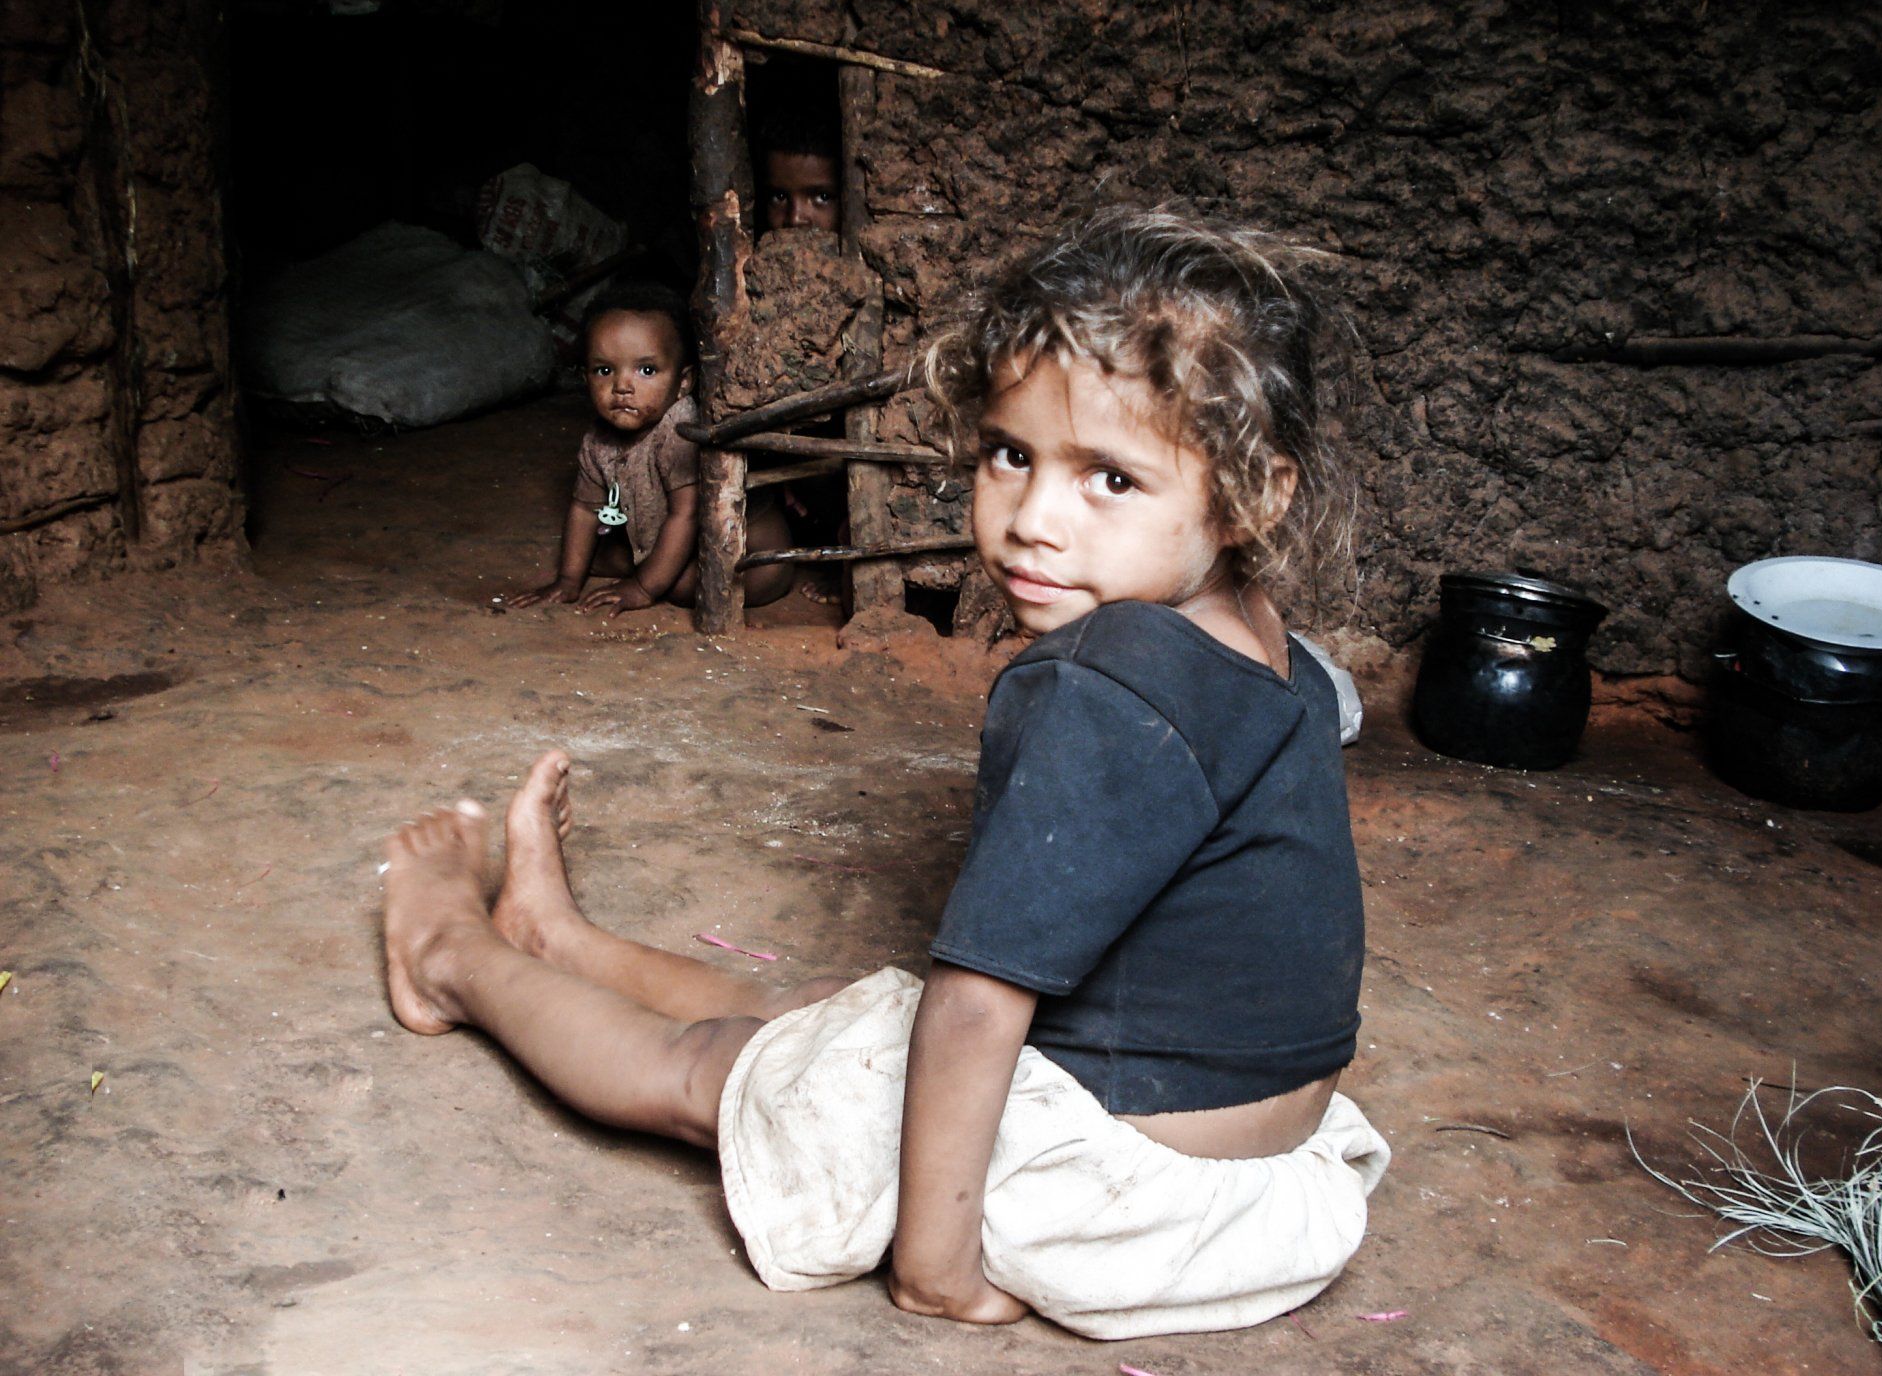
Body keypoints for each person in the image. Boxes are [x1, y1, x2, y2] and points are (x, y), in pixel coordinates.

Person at [386, 208, 1390, 1339]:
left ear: (1250, 495)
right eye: (1012, 454)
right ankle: (561, 942)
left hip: (1109, 1187)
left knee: (709, 1068)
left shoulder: (1108, 681)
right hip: (1263, 1176)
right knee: (838, 1018)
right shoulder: (1272, 643)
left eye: (1109, 478)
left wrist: (937, 1264)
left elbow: (977, 1005)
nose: (1031, 522)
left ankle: (448, 957)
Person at [507, 281, 792, 614]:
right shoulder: (597, 442)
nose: (623, 386)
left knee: (682, 585)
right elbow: (585, 510)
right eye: (604, 370)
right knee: (624, 553)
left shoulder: (680, 429)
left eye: (646, 370)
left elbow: (685, 515)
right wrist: (568, 580)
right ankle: (644, 565)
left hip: (754, 558)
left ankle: (647, 570)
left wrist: (643, 587)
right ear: (585, 379)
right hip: (683, 542)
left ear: (683, 383)